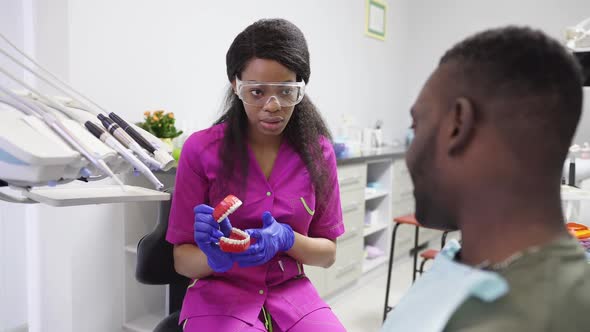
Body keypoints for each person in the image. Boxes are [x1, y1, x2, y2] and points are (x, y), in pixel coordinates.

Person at [383, 26, 590, 331]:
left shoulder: (524, 319)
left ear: (458, 125)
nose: (410, 154)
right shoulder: (472, 260)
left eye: (417, 125)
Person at [166, 18, 346, 332]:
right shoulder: (201, 150)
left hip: (292, 296)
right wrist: (215, 258)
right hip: (220, 297)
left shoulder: (320, 154)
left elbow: (327, 254)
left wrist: (287, 240)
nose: (273, 106)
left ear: (300, 88)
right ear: (236, 85)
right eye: (257, 92)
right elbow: (182, 259)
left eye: (286, 92)